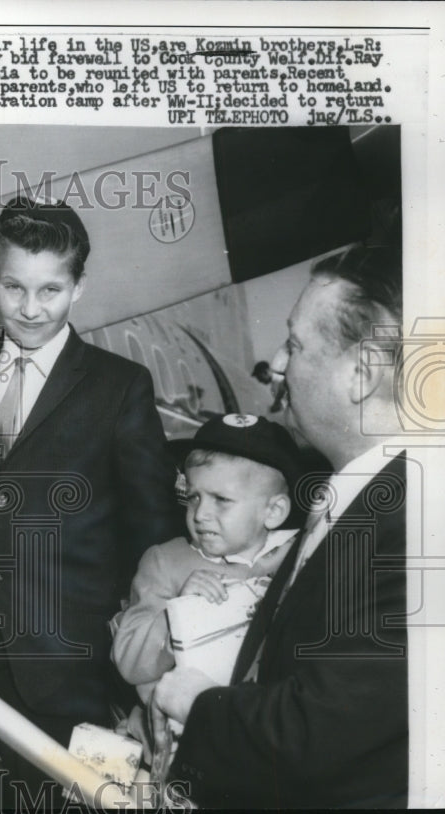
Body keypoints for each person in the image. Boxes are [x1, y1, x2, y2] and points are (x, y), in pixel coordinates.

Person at [0, 197, 184, 792]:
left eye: (51, 291)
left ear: (79, 287)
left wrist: (139, 672)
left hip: (81, 672)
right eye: (14, 288)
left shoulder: (122, 387)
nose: (31, 309)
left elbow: (153, 537)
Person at [152, 244, 409, 808]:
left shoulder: (412, 525)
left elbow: (323, 732)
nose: (277, 361)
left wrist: (200, 707)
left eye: (294, 343)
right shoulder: (361, 500)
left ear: (361, 374)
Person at [113, 413, 302, 705]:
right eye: (194, 497)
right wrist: (178, 613)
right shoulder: (166, 562)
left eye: (221, 500)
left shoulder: (300, 557)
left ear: (274, 511)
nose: (200, 514)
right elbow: (128, 661)